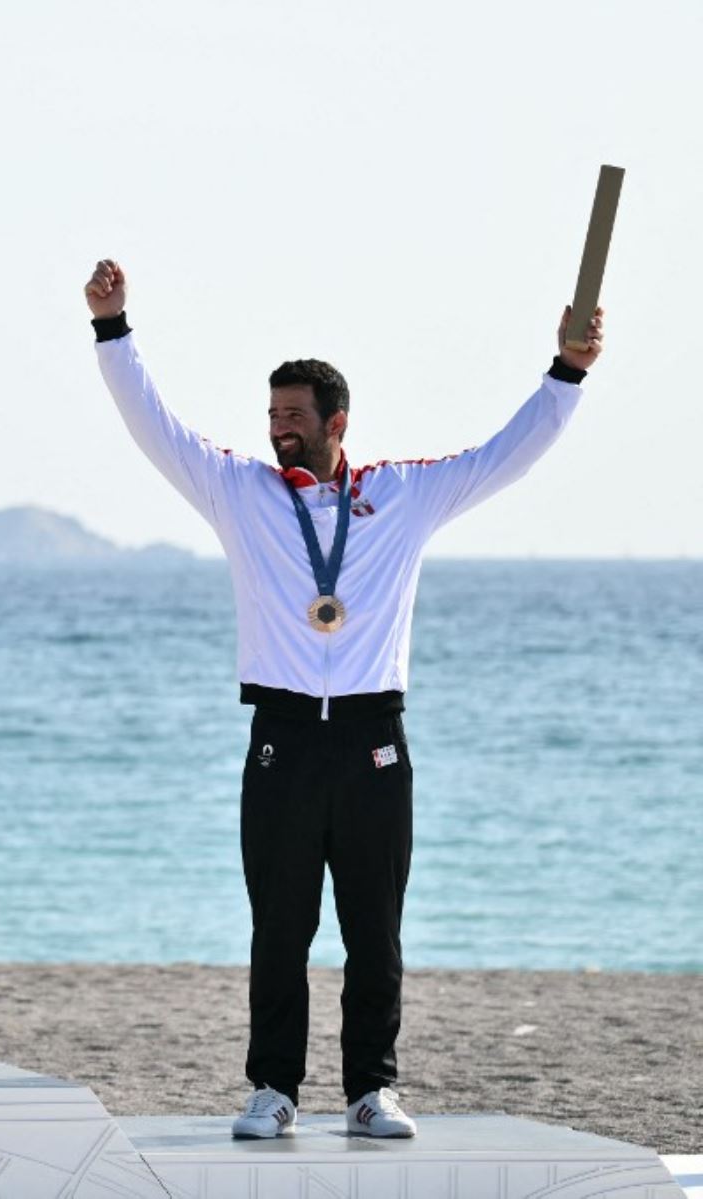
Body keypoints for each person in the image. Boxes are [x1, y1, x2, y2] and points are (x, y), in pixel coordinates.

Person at [84, 257, 601, 1140]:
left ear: (337, 422)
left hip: (373, 739)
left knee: (376, 930)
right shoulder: (239, 491)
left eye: (294, 416)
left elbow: (503, 456)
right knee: (279, 929)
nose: (279, 429)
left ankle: (371, 1088)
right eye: (272, 415)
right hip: (282, 734)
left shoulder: (401, 494)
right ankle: (273, 1089)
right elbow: (157, 429)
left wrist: (569, 373)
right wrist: (113, 329)